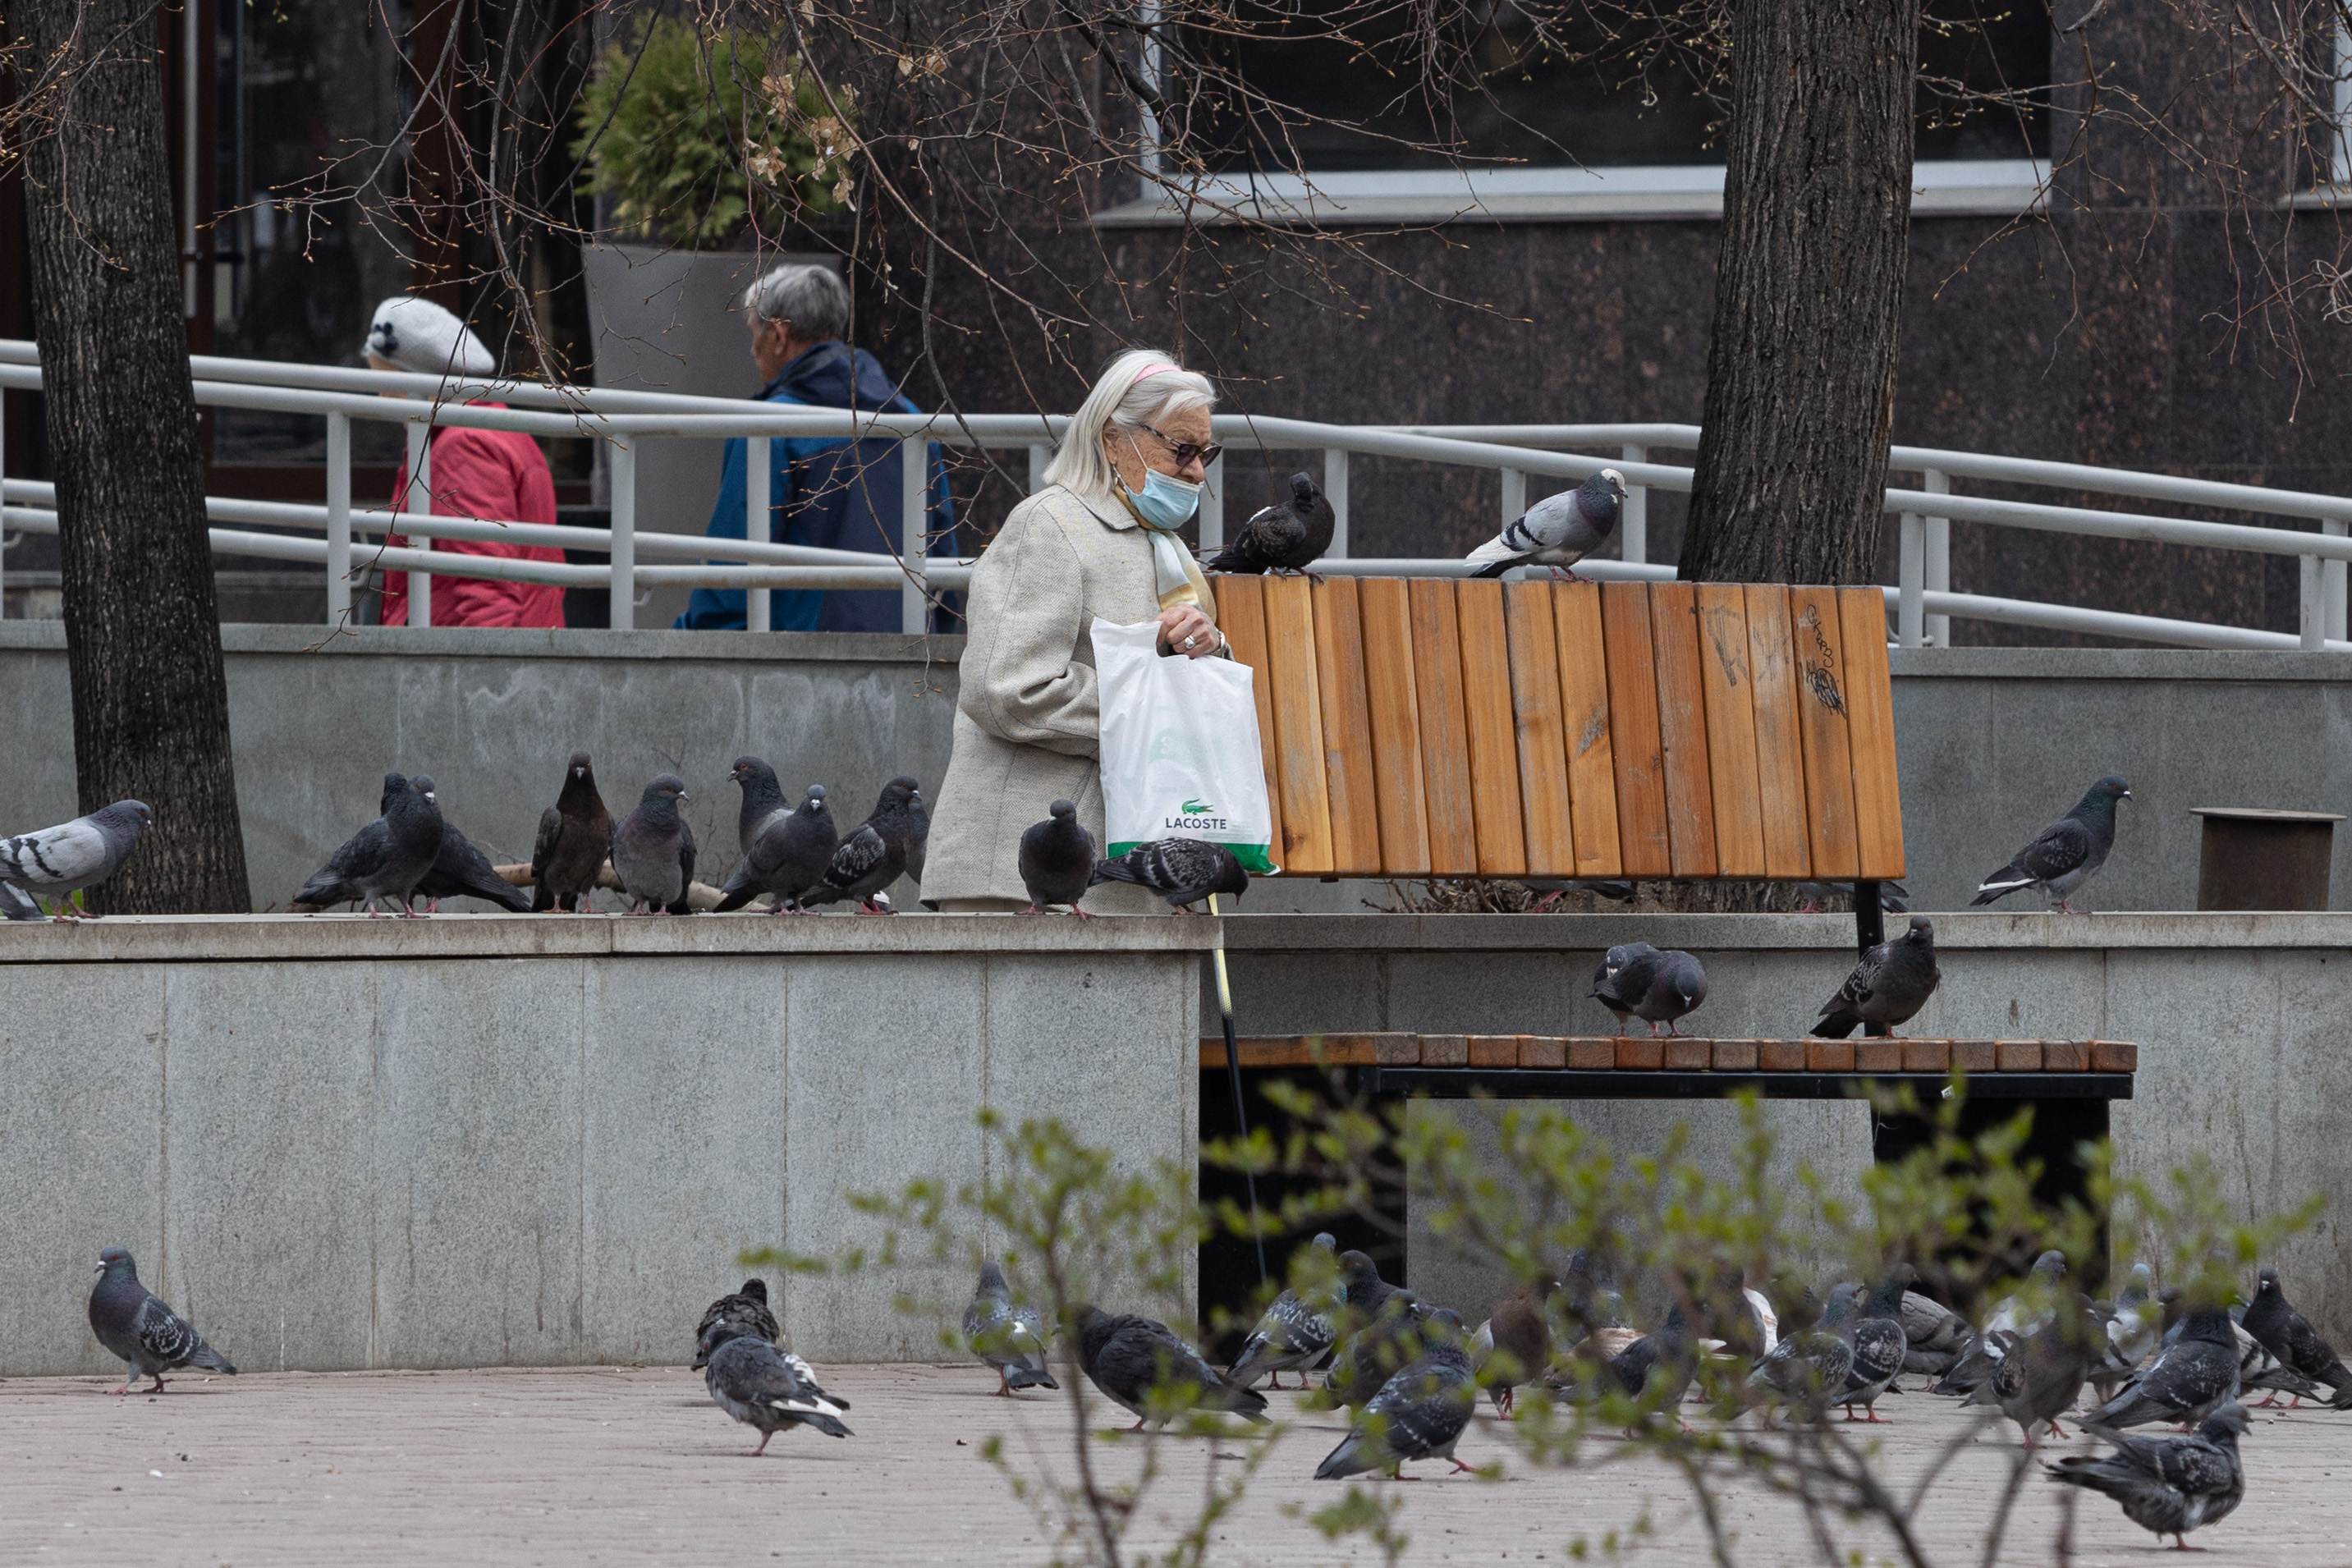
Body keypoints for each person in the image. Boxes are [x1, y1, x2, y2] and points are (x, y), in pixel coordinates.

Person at [925, 349, 1226, 913]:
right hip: (1017, 877)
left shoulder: (1169, 552)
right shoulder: (1050, 525)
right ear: (1114, 439)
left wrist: (1209, 649)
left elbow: (1185, 687)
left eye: (1205, 453)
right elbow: (1006, 689)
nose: (1197, 472)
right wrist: (1150, 716)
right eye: (1180, 449)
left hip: (1120, 877)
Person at [676, 263, 958, 633]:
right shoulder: (912, 423)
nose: (751, 351)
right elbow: (944, 563)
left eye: (753, 334)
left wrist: (694, 641)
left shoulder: (768, 429)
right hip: (909, 659)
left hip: (802, 664)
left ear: (778, 335)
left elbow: (734, 572)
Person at [363, 296, 566, 629]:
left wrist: (479, 677)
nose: (382, 397)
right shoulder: (487, 428)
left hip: (467, 666)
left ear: (426, 382)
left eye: (389, 383)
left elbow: (489, 588)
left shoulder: (463, 447)